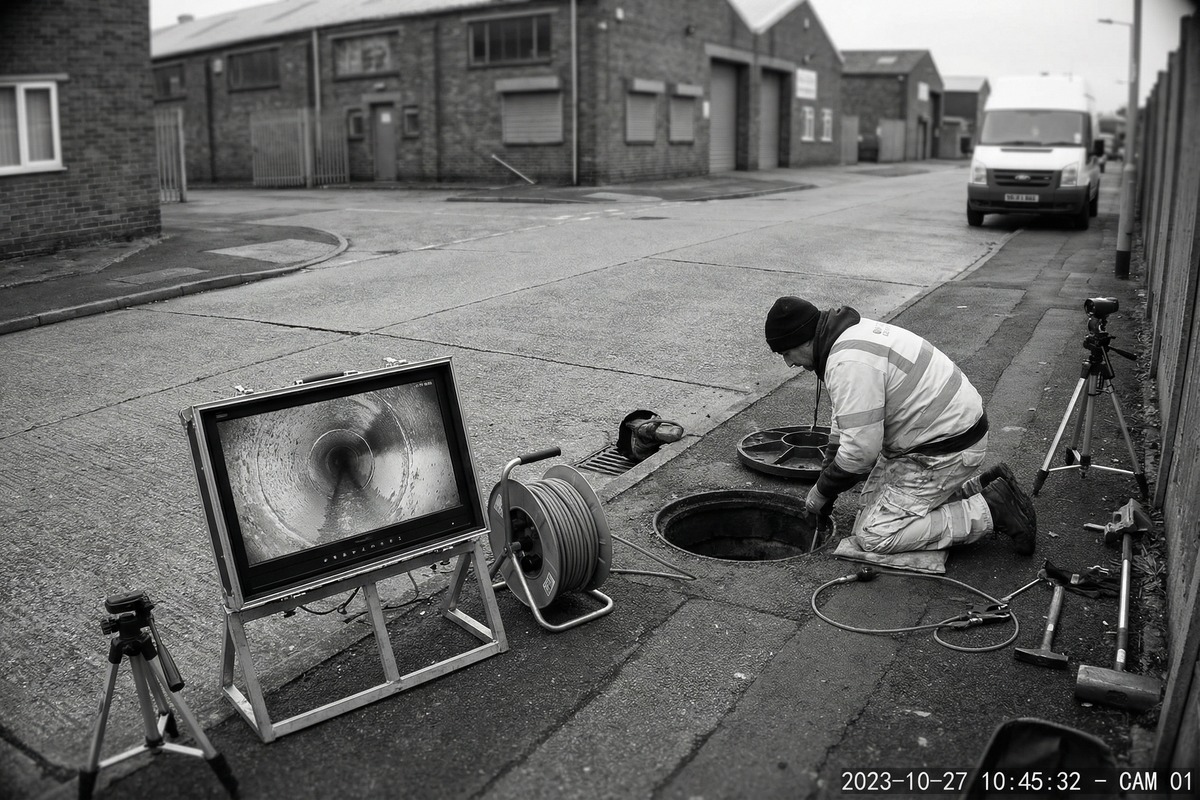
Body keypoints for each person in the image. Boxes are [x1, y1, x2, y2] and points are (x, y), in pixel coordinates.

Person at [763, 296, 1037, 555]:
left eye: (787, 353)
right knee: (866, 512)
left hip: (944, 448)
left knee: (873, 535)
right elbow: (844, 430)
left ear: (802, 338)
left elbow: (860, 454)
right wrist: (827, 484)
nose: (788, 363)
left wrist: (820, 492)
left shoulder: (848, 362)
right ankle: (984, 486)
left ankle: (992, 508)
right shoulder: (845, 338)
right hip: (938, 434)